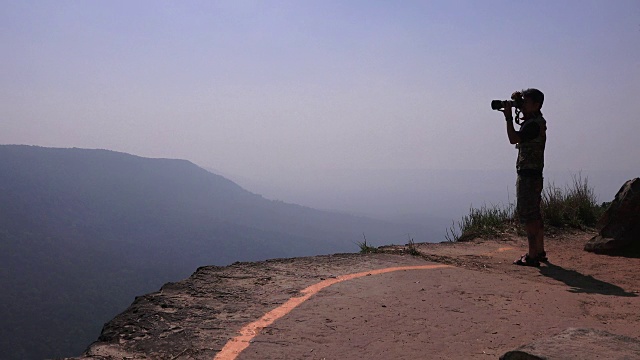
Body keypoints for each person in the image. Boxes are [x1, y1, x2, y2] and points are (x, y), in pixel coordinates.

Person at [501, 88, 547, 267]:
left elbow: (513, 139)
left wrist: (508, 117)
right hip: (534, 172)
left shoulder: (533, 125)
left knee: (528, 215)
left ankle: (532, 255)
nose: (523, 105)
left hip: (528, 174)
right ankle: (540, 251)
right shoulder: (536, 122)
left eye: (526, 102)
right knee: (535, 213)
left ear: (536, 104)